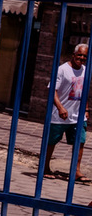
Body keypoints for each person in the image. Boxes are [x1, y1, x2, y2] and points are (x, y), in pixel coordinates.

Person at [44, 43, 89, 180]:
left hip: (78, 115)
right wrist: (60, 108)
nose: (81, 58)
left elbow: (85, 91)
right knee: (51, 142)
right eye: (79, 55)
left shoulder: (85, 70)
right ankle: (45, 167)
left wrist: (86, 108)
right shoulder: (62, 70)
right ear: (73, 55)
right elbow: (52, 91)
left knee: (80, 142)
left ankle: (76, 171)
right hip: (59, 115)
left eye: (84, 56)